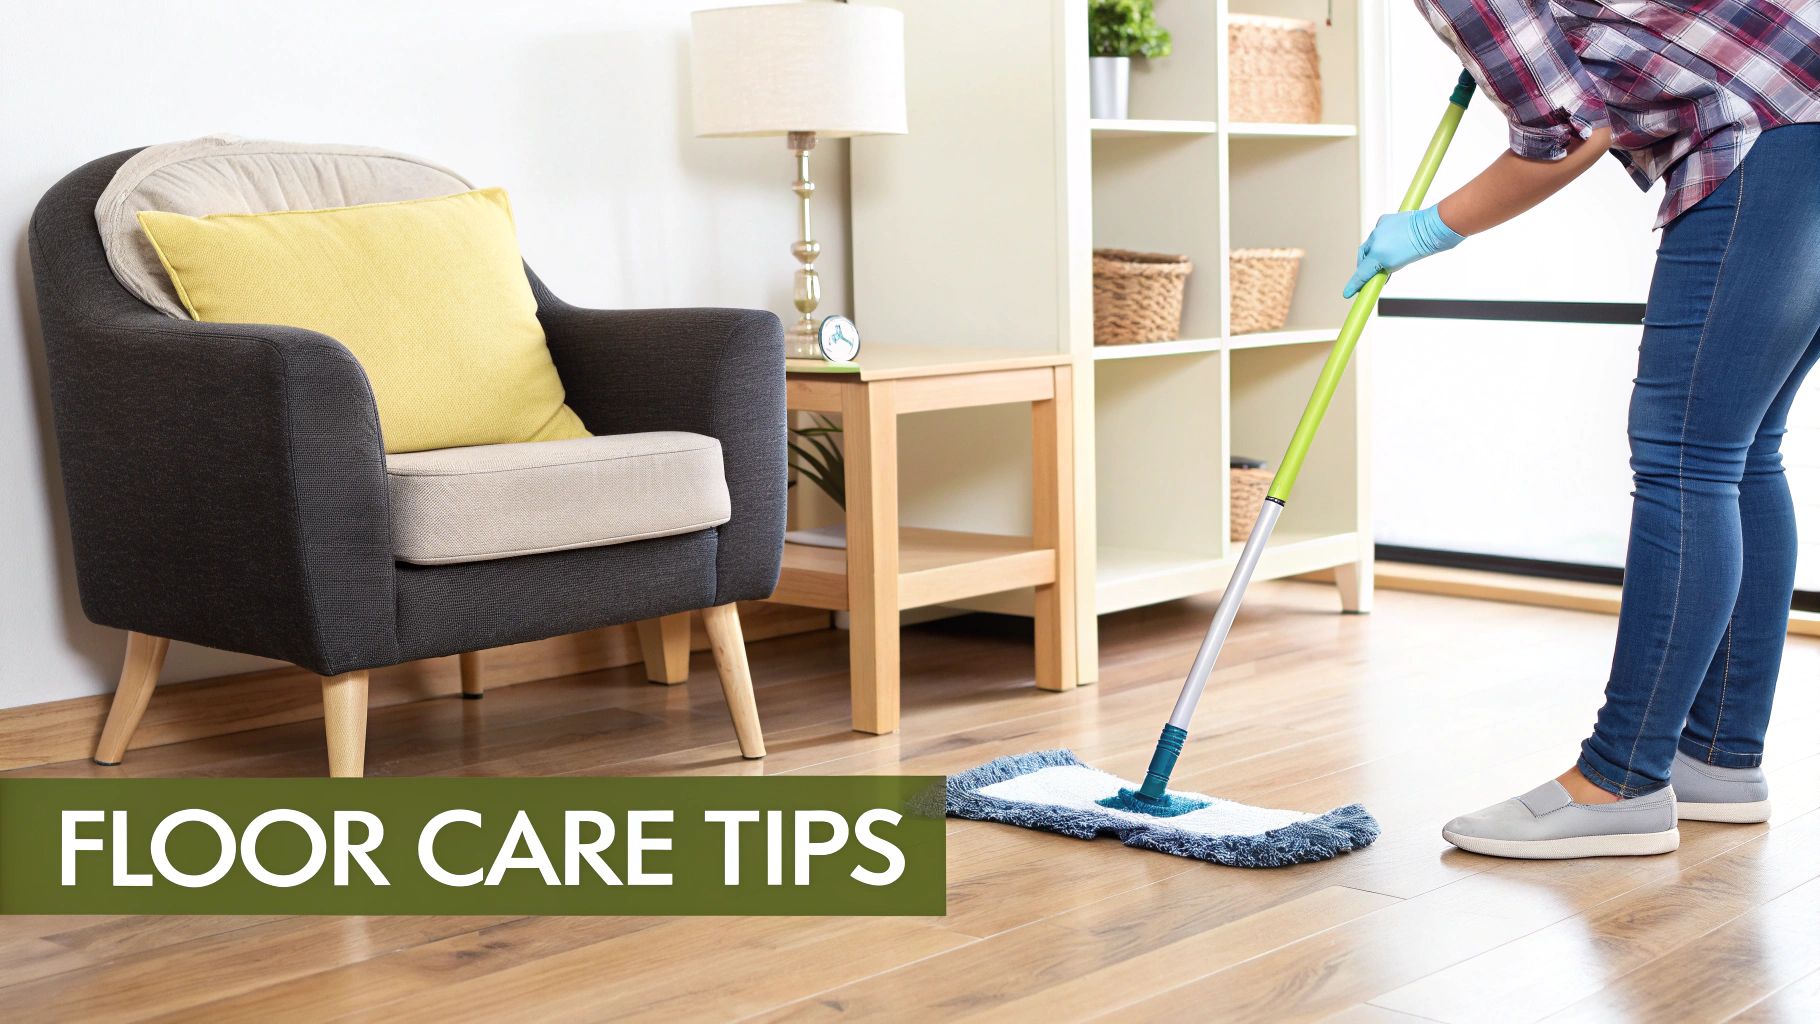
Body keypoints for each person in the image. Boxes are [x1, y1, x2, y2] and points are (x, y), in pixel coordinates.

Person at [1349, 1, 1820, 859]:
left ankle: (1619, 780)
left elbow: (1568, 132)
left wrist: (1431, 226)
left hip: (1768, 137)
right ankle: (1716, 759)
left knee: (1689, 456)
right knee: (1744, 452)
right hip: (1802, 101)